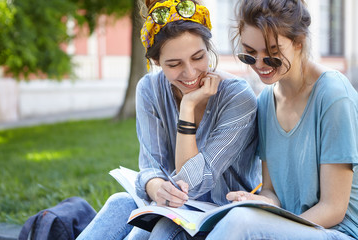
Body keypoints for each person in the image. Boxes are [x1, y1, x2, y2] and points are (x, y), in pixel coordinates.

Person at [77, 0, 261, 239]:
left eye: (198, 57)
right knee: (119, 203)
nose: (191, 73)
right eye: (174, 64)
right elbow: (151, 165)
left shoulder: (238, 96)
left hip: (223, 217)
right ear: (156, 63)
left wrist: (187, 106)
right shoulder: (149, 89)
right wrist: (153, 186)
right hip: (175, 209)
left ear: (209, 47)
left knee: (164, 229)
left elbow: (193, 183)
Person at [205, 0, 358, 239]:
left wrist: (269, 228)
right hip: (295, 226)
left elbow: (333, 209)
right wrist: (258, 202)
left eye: (272, 55)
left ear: (299, 43)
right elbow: (272, 191)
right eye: (250, 53)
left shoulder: (333, 96)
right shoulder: (266, 101)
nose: (259, 64)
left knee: (241, 223)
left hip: (336, 231)